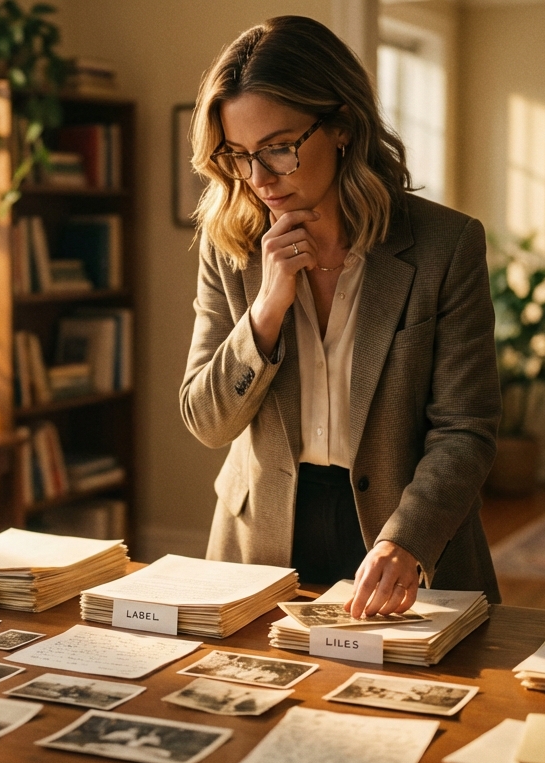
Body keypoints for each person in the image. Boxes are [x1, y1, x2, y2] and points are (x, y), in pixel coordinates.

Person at [179, 15, 502, 618]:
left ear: (344, 127)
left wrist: (406, 539)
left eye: (279, 148)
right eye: (238, 155)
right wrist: (267, 308)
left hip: (402, 541)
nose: (259, 179)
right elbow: (206, 420)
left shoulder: (445, 245)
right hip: (259, 542)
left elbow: (465, 428)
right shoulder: (231, 246)